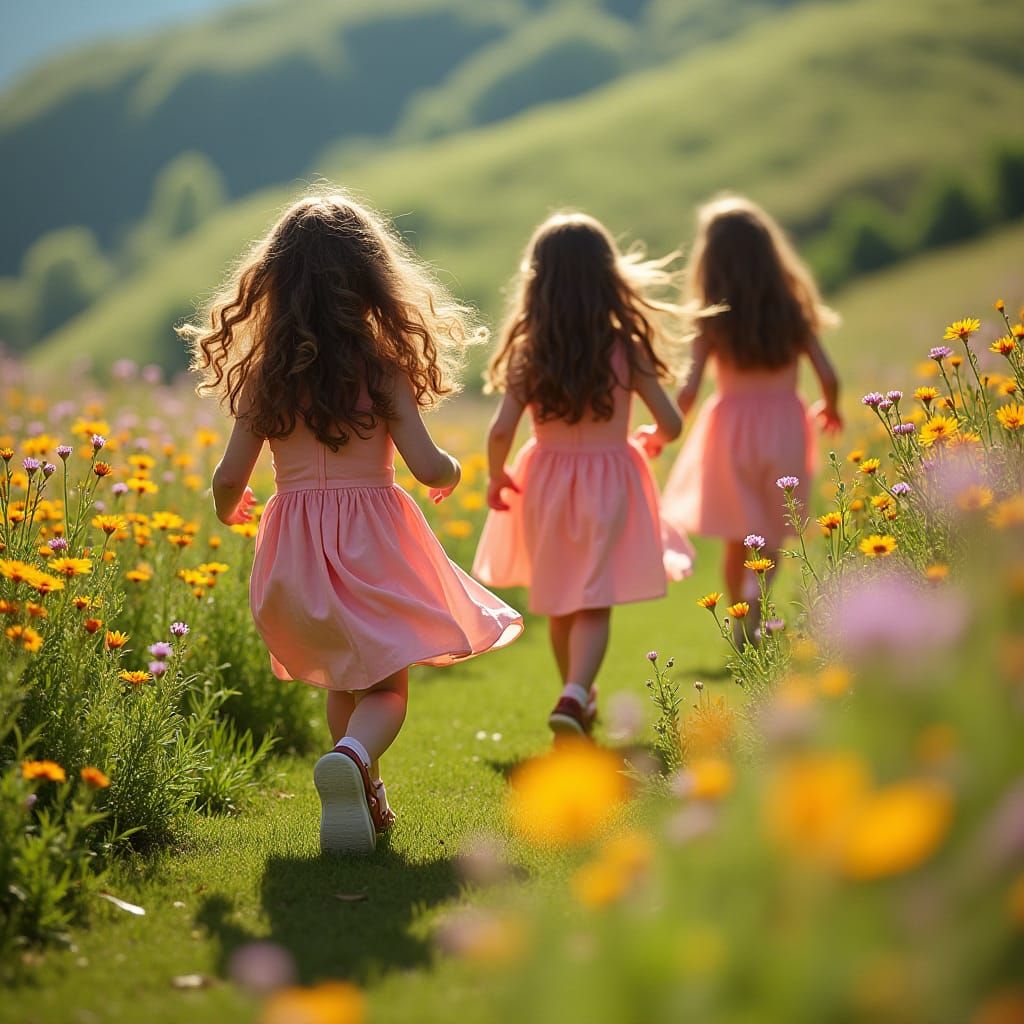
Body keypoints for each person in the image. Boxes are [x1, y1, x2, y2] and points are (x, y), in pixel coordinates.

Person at [184, 191, 523, 855]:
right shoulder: (383, 368)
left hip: (295, 551)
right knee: (387, 688)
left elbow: (228, 478)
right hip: (372, 543)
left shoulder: (264, 378)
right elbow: (427, 467)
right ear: (371, 281)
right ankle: (353, 759)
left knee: (343, 676)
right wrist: (452, 473)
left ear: (276, 284)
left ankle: (363, 788)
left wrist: (231, 510)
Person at [473, 212, 693, 737]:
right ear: (608, 278)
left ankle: (575, 695)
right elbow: (671, 421)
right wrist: (652, 440)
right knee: (594, 596)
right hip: (610, 480)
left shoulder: (531, 353)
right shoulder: (626, 349)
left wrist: (496, 476)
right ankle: (575, 695)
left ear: (538, 281)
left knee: (559, 597)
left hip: (544, 480)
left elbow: (501, 429)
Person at [661, 195, 841, 637]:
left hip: (729, 430)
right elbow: (829, 375)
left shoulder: (713, 318)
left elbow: (689, 389)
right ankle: (756, 600)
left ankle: (741, 613)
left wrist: (663, 427)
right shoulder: (792, 311)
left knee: (737, 534)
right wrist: (830, 407)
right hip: (785, 426)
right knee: (773, 529)